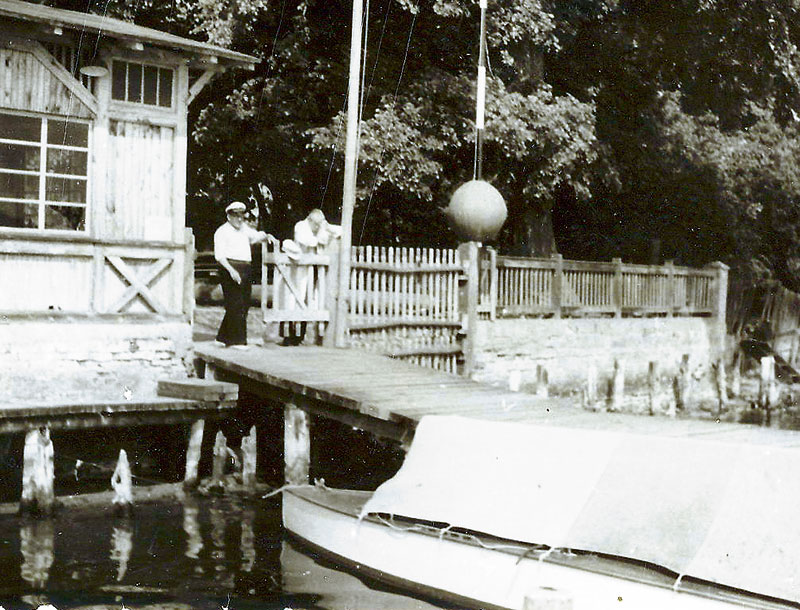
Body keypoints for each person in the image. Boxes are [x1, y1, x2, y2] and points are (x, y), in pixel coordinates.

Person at [214, 201, 278, 348]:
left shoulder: (244, 229)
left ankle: (222, 338)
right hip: (230, 267)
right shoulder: (222, 232)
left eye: (242, 216)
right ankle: (238, 341)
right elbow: (220, 256)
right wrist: (232, 271)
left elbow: (255, 236)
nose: (240, 219)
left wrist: (266, 236)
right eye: (236, 216)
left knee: (243, 303)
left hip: (245, 268)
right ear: (229, 216)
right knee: (236, 304)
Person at [280, 209, 342, 346]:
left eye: (319, 225)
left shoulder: (319, 227)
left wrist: (327, 227)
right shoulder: (300, 226)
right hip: (298, 270)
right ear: (310, 220)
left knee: (308, 301)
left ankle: (299, 336)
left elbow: (340, 231)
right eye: (316, 224)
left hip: (312, 270)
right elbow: (308, 241)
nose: (318, 227)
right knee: (294, 299)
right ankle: (288, 335)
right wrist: (320, 237)